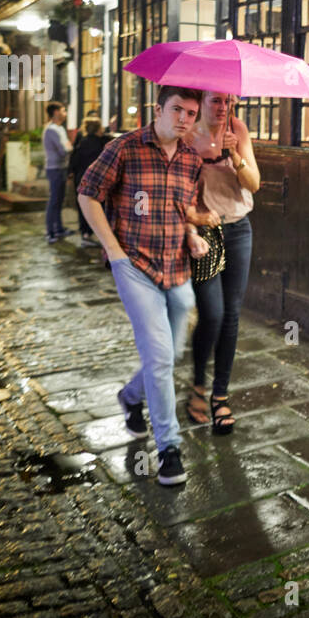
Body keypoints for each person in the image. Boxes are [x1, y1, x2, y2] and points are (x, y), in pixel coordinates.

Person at [76, 86, 208, 486]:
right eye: (177, 110)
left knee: (169, 355)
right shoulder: (125, 148)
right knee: (161, 357)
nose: (184, 119)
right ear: (158, 109)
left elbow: (181, 206)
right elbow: (88, 194)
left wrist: (192, 233)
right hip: (134, 265)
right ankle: (169, 448)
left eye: (191, 113)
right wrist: (113, 250)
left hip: (176, 267)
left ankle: (131, 398)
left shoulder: (190, 158)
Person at [182, 91, 260, 433]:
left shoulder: (239, 131)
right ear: (202, 101)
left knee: (231, 314)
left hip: (239, 228)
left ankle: (220, 394)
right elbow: (178, 191)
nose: (222, 107)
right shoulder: (187, 136)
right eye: (216, 100)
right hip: (205, 231)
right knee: (211, 314)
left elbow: (254, 184)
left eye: (228, 101)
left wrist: (234, 155)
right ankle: (198, 382)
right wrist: (190, 230)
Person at [70, 117, 108, 248]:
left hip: (81, 179)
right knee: (99, 208)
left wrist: (71, 174)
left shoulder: (82, 142)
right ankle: (102, 235)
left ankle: (85, 234)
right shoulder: (102, 143)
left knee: (84, 207)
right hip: (97, 179)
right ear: (98, 129)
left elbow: (74, 161)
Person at [42, 101, 75, 243]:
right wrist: (69, 148)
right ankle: (50, 232)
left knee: (59, 200)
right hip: (55, 168)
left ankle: (59, 229)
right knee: (54, 201)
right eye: (63, 111)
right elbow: (63, 150)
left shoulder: (59, 128)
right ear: (56, 113)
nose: (65, 113)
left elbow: (66, 147)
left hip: (61, 167)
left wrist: (68, 147)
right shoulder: (51, 130)